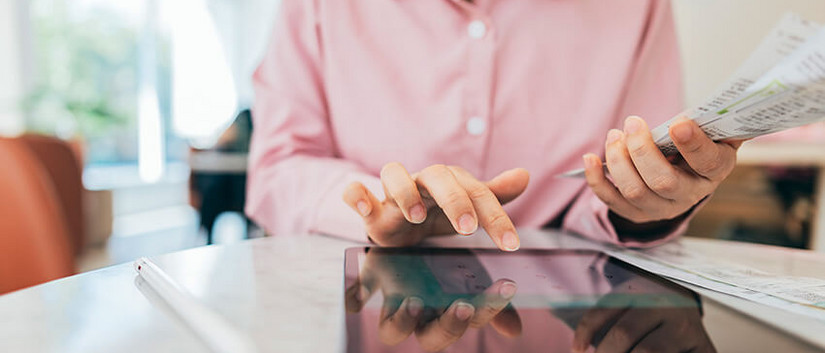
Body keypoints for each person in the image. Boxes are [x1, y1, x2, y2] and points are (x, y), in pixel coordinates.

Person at [246, 0, 742, 251]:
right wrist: (379, 204)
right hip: (358, 305)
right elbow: (278, 167)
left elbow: (629, 175)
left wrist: (648, 204)